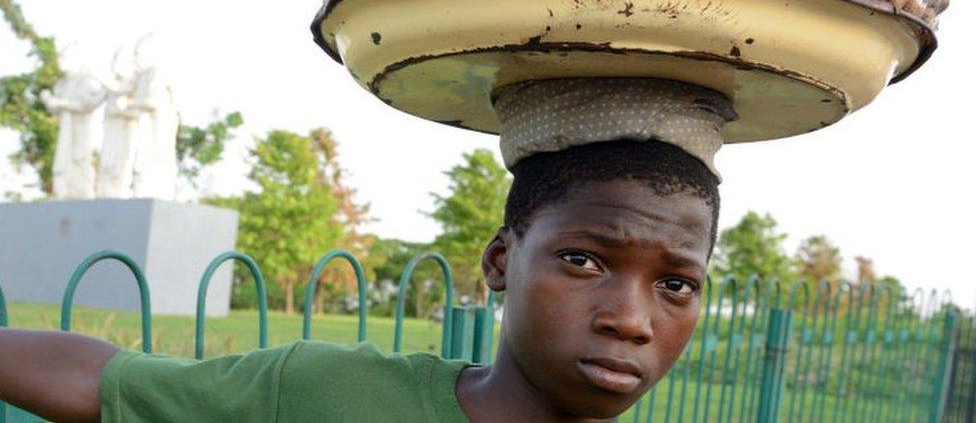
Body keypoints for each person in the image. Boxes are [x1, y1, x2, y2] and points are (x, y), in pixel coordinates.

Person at [0, 79, 731, 422]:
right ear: (502, 259)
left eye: (676, 284)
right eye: (584, 260)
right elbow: (113, 383)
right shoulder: (331, 394)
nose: (630, 318)